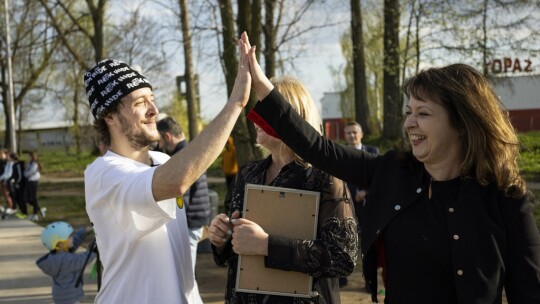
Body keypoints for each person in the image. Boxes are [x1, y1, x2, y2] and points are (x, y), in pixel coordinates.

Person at [243, 34, 540, 303]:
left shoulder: (507, 197)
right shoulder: (391, 172)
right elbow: (319, 149)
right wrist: (263, 88)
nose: (410, 123)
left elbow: (528, 291)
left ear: (462, 124)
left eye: (423, 113)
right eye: (408, 112)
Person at [83, 32, 251, 304]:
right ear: (110, 116)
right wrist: (234, 105)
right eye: (139, 102)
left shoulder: (162, 162)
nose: (153, 110)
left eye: (151, 98)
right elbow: (176, 181)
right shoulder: (103, 175)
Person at [208, 76, 358, 304]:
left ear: (291, 116)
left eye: (265, 109)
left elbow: (343, 258)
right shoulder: (248, 174)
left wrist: (267, 245)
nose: (255, 118)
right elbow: (233, 254)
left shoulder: (324, 178)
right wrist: (222, 238)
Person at [156, 116, 211, 273]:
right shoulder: (190, 151)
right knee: (185, 273)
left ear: (167, 136)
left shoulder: (182, 158)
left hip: (188, 222)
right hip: (195, 219)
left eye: (160, 141)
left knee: (185, 275)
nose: (159, 146)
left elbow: (181, 196)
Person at [340, 121, 379, 288]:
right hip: (346, 205)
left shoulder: (373, 152)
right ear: (345, 136)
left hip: (368, 206)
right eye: (348, 133)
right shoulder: (341, 154)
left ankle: (370, 282)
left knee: (368, 245)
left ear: (361, 134)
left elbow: (380, 177)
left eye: (355, 132)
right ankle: (341, 279)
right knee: (343, 241)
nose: (352, 136)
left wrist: (366, 192)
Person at [36, 221, 96, 304]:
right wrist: (93, 251)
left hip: (60, 295)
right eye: (69, 237)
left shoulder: (57, 255)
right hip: (70, 298)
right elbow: (82, 260)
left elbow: (75, 242)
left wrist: (83, 232)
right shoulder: (66, 259)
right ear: (60, 244)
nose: (72, 238)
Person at [24, 151, 45, 221]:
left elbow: (30, 172)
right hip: (29, 181)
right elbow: (25, 172)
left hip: (33, 181)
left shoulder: (35, 164)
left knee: (33, 197)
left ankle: (35, 214)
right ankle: (40, 209)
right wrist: (26, 172)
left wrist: (26, 173)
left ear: (32, 156)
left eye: (28, 156)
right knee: (28, 199)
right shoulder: (30, 163)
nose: (27, 158)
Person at [221, 136, 238, 213]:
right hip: (227, 174)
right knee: (229, 190)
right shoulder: (225, 153)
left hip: (233, 174)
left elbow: (236, 161)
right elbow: (223, 162)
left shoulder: (234, 151)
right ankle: (229, 205)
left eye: (227, 143)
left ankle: (234, 204)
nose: (226, 145)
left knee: (233, 190)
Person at [0, 151, 16, 216]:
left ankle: (10, 207)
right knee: (4, 194)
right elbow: (5, 173)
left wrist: (1, 178)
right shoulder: (8, 163)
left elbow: (9, 174)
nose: (7, 157)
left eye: (8, 156)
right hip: (3, 179)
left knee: (7, 194)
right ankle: (8, 206)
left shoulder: (11, 163)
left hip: (7, 180)